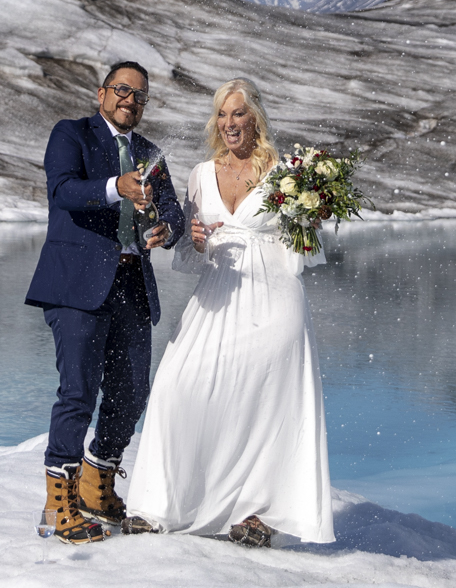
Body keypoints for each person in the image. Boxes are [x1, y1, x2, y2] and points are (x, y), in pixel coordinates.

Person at [126, 78, 334, 549]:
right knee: (177, 385)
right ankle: (160, 506)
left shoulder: (286, 171)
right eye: (222, 114)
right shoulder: (201, 173)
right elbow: (190, 246)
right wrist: (196, 240)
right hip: (218, 290)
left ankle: (258, 513)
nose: (229, 123)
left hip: (274, 295)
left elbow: (305, 244)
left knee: (266, 399)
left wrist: (313, 217)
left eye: (238, 113)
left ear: (254, 117)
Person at [24, 61, 187, 543]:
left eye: (139, 96)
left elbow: (173, 211)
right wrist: (116, 187)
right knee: (78, 392)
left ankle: (98, 483)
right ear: (101, 95)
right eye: (122, 90)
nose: (129, 100)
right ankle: (59, 507)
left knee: (133, 392)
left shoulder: (150, 153)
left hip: (132, 286)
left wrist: (167, 229)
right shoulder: (70, 135)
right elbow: (63, 192)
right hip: (76, 288)